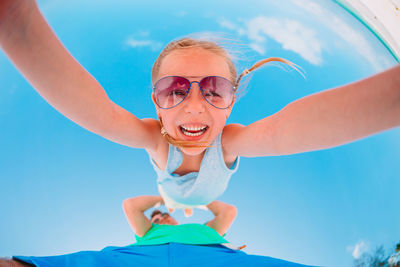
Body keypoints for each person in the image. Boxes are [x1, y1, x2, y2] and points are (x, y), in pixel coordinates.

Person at [1, 0, 400, 216]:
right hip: (173, 195)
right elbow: (101, 115)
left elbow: (282, 131)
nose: (193, 105)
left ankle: (185, 210)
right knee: (191, 206)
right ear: (156, 105)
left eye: (214, 90)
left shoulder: (230, 141)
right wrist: (17, 23)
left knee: (206, 208)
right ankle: (179, 210)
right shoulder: (155, 140)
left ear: (230, 105)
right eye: (174, 90)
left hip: (197, 196)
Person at [0, 196, 316, 266]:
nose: (161, 217)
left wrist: (194, 197)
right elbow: (129, 206)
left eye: (165, 215)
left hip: (213, 258)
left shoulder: (204, 230)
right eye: (157, 216)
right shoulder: (147, 232)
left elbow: (227, 211)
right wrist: (168, 198)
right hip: (140, 258)